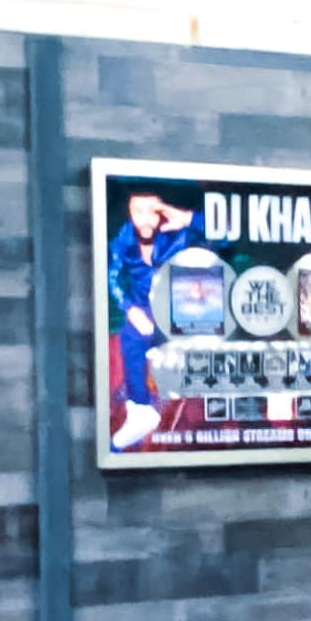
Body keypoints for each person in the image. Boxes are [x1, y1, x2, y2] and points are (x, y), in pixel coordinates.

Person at [106, 185, 200, 451]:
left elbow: (229, 235)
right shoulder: (121, 241)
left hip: (184, 307)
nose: (146, 220)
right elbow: (111, 277)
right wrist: (129, 308)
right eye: (138, 211)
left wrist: (188, 218)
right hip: (143, 310)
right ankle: (140, 410)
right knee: (130, 335)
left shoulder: (182, 234)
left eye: (153, 211)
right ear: (129, 212)